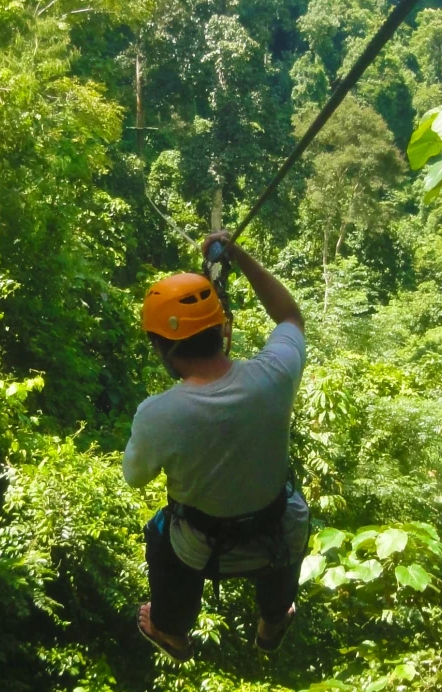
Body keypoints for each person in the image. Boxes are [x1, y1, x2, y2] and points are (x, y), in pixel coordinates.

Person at [123, 230, 310, 662]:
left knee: (160, 531)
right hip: (275, 533)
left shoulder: (159, 414)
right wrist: (238, 255)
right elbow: (290, 319)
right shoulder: (274, 374)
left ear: (162, 348)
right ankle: (273, 619)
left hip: (201, 548)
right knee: (293, 517)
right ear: (221, 328)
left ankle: (171, 630)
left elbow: (135, 478)